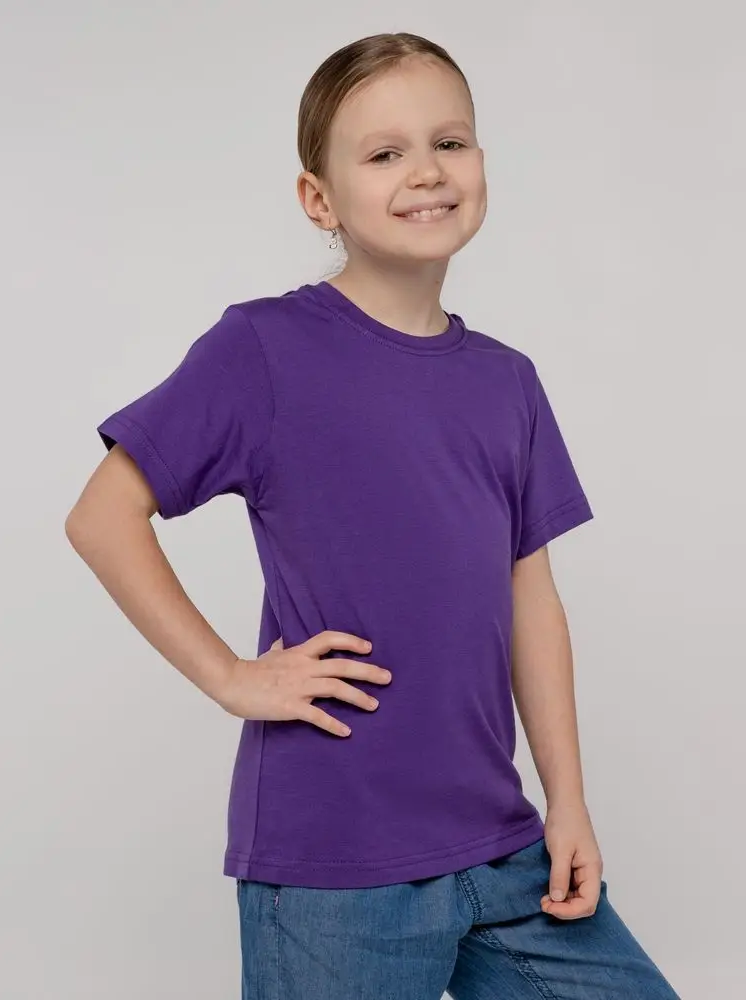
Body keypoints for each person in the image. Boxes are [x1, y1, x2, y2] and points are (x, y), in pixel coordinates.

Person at [66, 30, 681, 1000]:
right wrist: (231, 677)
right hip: (333, 866)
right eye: (385, 153)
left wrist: (568, 801)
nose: (426, 171)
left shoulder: (508, 382)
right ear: (319, 198)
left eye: (450, 142)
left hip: (500, 846)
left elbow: (531, 599)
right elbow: (103, 516)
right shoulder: (264, 348)